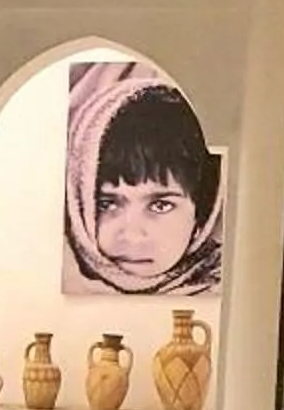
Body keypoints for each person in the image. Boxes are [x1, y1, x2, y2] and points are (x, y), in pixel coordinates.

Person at [61, 60, 223, 298]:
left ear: (201, 213)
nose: (132, 234)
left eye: (160, 205)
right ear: (79, 203)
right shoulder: (45, 281)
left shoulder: (230, 296)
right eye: (108, 204)